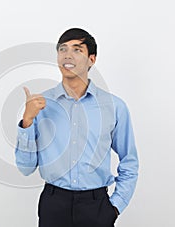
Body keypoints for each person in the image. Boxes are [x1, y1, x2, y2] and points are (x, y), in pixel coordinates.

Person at [15, 28, 139, 227]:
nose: (67, 55)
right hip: (53, 204)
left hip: (96, 206)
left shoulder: (114, 106)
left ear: (92, 59)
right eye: (62, 49)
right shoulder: (39, 105)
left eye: (77, 49)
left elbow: (129, 161)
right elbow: (25, 168)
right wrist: (27, 121)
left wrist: (114, 207)